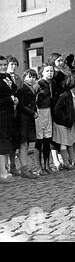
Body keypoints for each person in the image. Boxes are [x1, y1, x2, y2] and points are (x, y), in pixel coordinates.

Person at [53, 75, 75, 170]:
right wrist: (65, 119)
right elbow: (57, 109)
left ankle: (73, 160)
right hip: (63, 124)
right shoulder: (65, 95)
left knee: (70, 141)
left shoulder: (74, 95)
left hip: (69, 123)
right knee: (64, 143)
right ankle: (65, 162)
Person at [16, 69, 40, 179]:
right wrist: (32, 112)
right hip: (23, 119)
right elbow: (21, 105)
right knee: (23, 144)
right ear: (24, 76)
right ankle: (24, 169)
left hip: (28, 118)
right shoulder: (22, 88)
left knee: (26, 143)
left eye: (34, 77)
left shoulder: (31, 88)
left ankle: (25, 168)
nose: (32, 79)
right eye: (30, 76)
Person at [34, 63, 55, 175]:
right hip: (39, 112)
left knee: (47, 139)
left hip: (48, 112)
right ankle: (39, 167)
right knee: (40, 140)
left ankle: (47, 165)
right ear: (42, 72)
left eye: (51, 71)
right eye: (47, 71)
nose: (50, 73)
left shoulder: (50, 83)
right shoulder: (39, 83)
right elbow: (34, 98)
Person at [0, 55, 18, 183]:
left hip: (9, 115)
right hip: (1, 116)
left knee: (7, 144)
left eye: (5, 64)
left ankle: (6, 169)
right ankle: (2, 173)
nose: (3, 67)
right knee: (2, 145)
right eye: (0, 65)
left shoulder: (7, 77)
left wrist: (14, 98)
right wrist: (9, 99)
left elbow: (13, 91)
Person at [5, 55, 23, 176]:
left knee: (15, 141)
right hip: (6, 113)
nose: (13, 66)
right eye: (11, 64)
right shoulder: (3, 78)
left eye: (15, 64)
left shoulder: (17, 78)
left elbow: (21, 92)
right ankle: (5, 166)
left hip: (17, 113)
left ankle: (12, 165)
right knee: (6, 141)